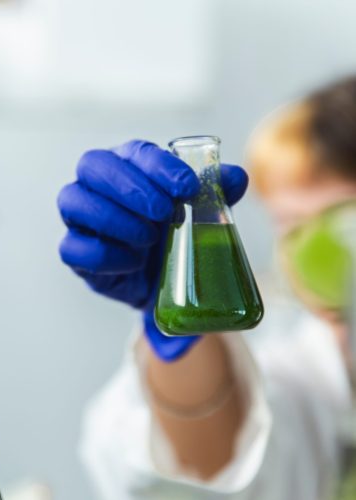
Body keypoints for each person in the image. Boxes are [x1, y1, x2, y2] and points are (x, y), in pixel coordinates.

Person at [57, 76, 356, 500]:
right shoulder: (304, 376)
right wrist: (185, 330)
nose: (309, 255)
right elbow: (205, 470)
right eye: (291, 226)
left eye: (338, 225)